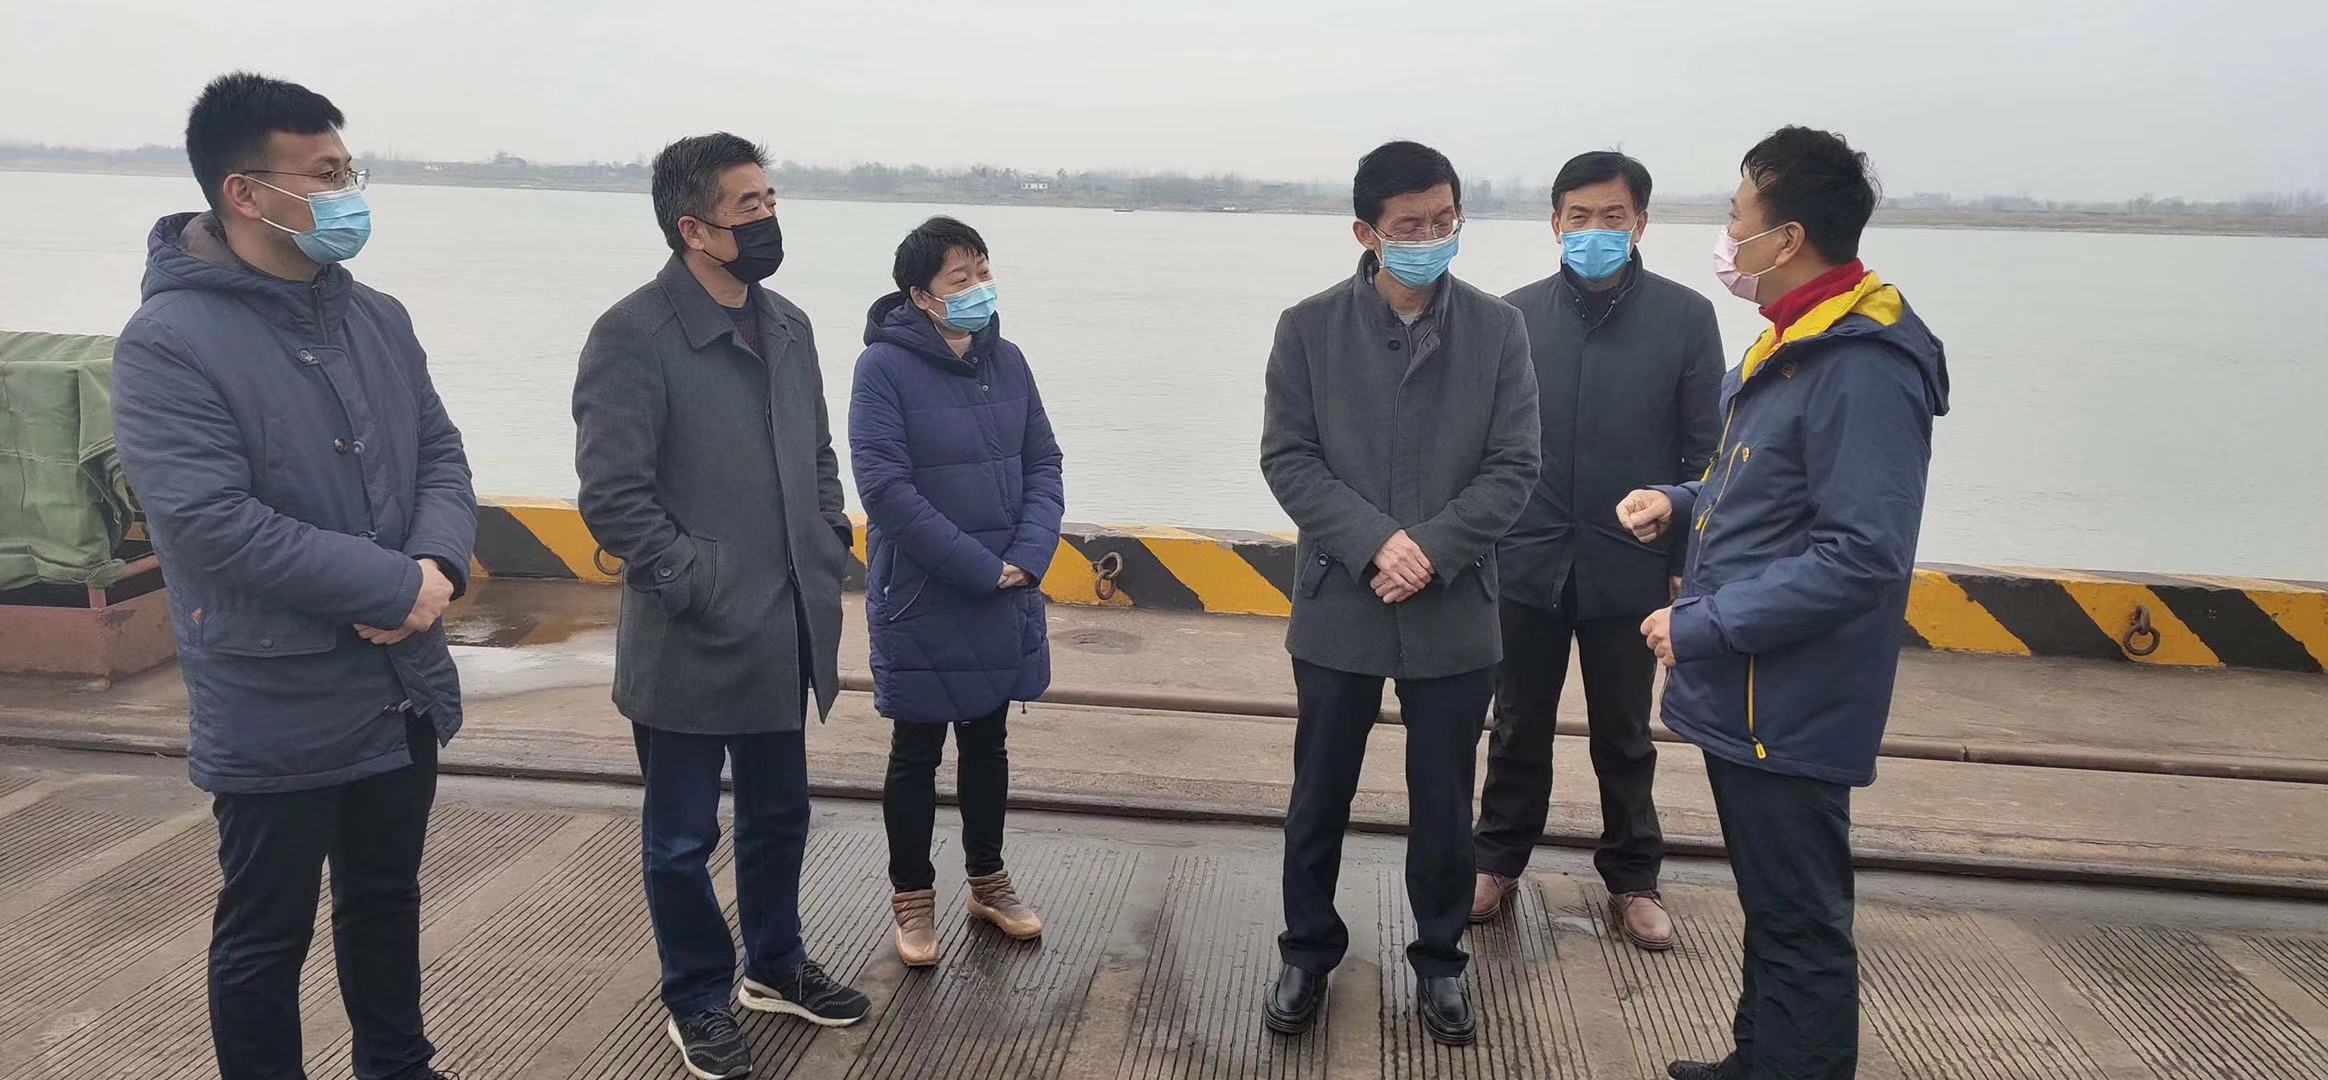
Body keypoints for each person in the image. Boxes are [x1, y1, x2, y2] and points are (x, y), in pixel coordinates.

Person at [110, 73, 473, 1080]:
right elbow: (209, 523)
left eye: (350, 170)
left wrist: (436, 566)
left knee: (385, 898)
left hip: (398, 682)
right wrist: (390, 588)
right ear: (246, 193)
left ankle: (397, 1066)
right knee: (267, 932)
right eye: (325, 175)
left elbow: (440, 454)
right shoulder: (168, 344)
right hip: (274, 692)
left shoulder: (377, 318)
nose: (348, 193)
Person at [1621, 127, 1949, 1080]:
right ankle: (1756, 1061)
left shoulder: (1862, 365)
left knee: (1800, 917)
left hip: (1790, 698)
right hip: (1755, 692)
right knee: (1772, 903)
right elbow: (1767, 495)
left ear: (1788, 237)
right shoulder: (1798, 343)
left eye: (1737, 219)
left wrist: (1705, 622)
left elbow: (1862, 555)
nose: (1727, 238)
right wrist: (1681, 503)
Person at [573, 132, 869, 1080]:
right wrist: (695, 579)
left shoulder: (789, 325)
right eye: (749, 206)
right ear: (693, 228)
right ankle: (697, 994)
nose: (770, 218)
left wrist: (825, 532)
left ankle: (775, 965)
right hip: (691, 633)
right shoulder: (632, 334)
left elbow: (817, 452)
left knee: (781, 815)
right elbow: (613, 497)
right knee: (681, 837)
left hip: (784, 624)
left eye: (771, 200)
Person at [1258, 141, 1541, 1047]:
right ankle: (1308, 949)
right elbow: (1289, 458)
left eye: (1444, 220)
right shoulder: (1307, 328)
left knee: (1445, 802)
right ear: (1366, 233)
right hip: (1340, 599)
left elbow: (1515, 466)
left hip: (1454, 604)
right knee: (1319, 791)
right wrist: (1376, 541)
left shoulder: (1498, 330)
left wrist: (1434, 549)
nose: (1430, 237)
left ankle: (1442, 959)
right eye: (1410, 225)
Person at [1472, 151, 1722, 947]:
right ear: (1554, 224)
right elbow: (1484, 447)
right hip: (1527, 558)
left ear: (1640, 224)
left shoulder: (1685, 317)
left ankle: (1634, 877)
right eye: (1578, 217)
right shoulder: (1511, 317)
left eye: (1613, 217)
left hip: (1632, 561)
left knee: (1625, 730)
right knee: (1516, 723)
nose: (1594, 231)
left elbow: (1705, 453)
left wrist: (1685, 561)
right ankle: (1495, 860)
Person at [849, 216, 1065, 967]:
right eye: (960, 278)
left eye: (983, 271)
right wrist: (980, 567)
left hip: (1006, 586)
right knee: (915, 749)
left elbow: (1044, 462)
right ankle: (912, 898)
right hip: (924, 593)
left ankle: (988, 879)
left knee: (988, 739)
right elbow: (884, 488)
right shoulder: (882, 369)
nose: (979, 288)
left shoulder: (1009, 361)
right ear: (921, 295)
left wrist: (1027, 556)